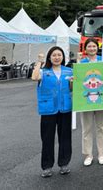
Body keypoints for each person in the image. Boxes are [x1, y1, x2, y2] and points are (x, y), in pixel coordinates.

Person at [31, 47, 73, 178]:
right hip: (48, 109)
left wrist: (72, 83)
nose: (56, 57)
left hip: (65, 108)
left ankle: (64, 164)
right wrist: (39, 62)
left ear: (63, 57)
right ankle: (47, 166)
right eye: (54, 55)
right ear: (49, 57)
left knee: (65, 137)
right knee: (47, 138)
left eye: (59, 55)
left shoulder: (69, 71)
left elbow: (72, 89)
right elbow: (34, 77)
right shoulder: (44, 71)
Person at [78, 38, 103, 167]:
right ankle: (88, 155)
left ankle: (101, 153)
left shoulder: (102, 60)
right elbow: (78, 77)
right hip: (86, 100)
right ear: (85, 49)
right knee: (87, 128)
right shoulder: (82, 61)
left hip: (101, 99)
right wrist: (78, 61)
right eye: (89, 46)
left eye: (94, 46)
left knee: (102, 128)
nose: (92, 49)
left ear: (97, 48)